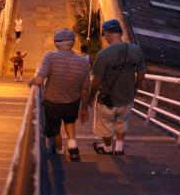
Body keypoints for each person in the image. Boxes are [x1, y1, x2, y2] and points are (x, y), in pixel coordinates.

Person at [28, 28, 90, 161]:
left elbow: (39, 79)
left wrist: (30, 82)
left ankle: (60, 150)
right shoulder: (84, 63)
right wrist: (84, 108)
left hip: (53, 102)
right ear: (73, 43)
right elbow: (85, 89)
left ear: (56, 43)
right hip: (73, 102)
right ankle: (73, 147)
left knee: (54, 129)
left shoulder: (50, 57)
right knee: (69, 121)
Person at [89, 19, 145, 156]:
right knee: (122, 122)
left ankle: (107, 148)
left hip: (107, 99)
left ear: (108, 33)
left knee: (106, 125)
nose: (105, 37)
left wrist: (91, 96)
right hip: (127, 97)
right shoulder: (136, 50)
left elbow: (96, 81)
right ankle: (119, 148)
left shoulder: (103, 54)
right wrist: (135, 89)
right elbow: (141, 74)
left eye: (104, 34)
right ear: (119, 32)